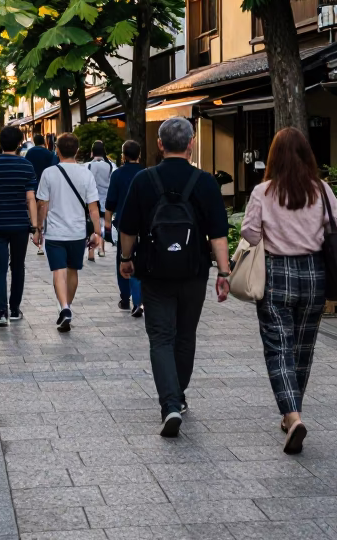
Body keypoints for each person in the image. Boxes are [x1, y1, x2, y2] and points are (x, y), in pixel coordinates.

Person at [117, 117, 231, 437]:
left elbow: (127, 228)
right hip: (194, 272)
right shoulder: (205, 182)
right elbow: (218, 233)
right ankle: (177, 398)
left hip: (154, 272)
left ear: (160, 144)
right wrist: (223, 271)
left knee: (161, 337)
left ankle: (170, 403)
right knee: (185, 335)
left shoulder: (143, 180)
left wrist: (127, 259)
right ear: (191, 143)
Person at [240, 126, 337, 455]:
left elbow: (251, 234)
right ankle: (292, 414)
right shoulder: (321, 189)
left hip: (277, 274)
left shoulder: (264, 192)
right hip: (314, 275)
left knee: (278, 348)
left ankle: (292, 415)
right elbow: (336, 228)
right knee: (302, 349)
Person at [36, 132, 101, 332]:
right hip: (77, 232)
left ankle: (64, 307)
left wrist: (38, 228)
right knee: (72, 271)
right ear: (78, 150)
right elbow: (93, 208)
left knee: (59, 271)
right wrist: (97, 232)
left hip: (55, 232)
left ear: (57, 150)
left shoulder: (49, 173)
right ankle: (67, 307)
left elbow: (42, 205)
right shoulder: (86, 174)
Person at [0, 126, 42, 327]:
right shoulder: (26, 166)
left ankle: (1, 312)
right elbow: (31, 198)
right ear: (19, 143)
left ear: (0, 142)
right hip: (20, 225)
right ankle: (15, 309)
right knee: (18, 267)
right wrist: (35, 227)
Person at [105, 139, 145, 317]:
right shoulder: (146, 173)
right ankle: (139, 300)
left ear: (123, 155)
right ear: (139, 155)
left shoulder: (117, 174)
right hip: (144, 224)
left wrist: (107, 223)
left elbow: (110, 202)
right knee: (141, 259)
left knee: (123, 258)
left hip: (123, 223)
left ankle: (125, 297)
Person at [24, 133, 59, 256]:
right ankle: (43, 241)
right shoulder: (49, 153)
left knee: (36, 212)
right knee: (45, 213)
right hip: (47, 186)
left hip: (32, 186)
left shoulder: (29, 153)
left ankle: (38, 238)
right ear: (43, 141)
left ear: (33, 141)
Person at [87, 140, 114, 262]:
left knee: (93, 225)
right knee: (102, 224)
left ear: (92, 151)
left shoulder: (90, 165)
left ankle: (91, 251)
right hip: (105, 198)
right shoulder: (109, 165)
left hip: (93, 199)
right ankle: (102, 249)